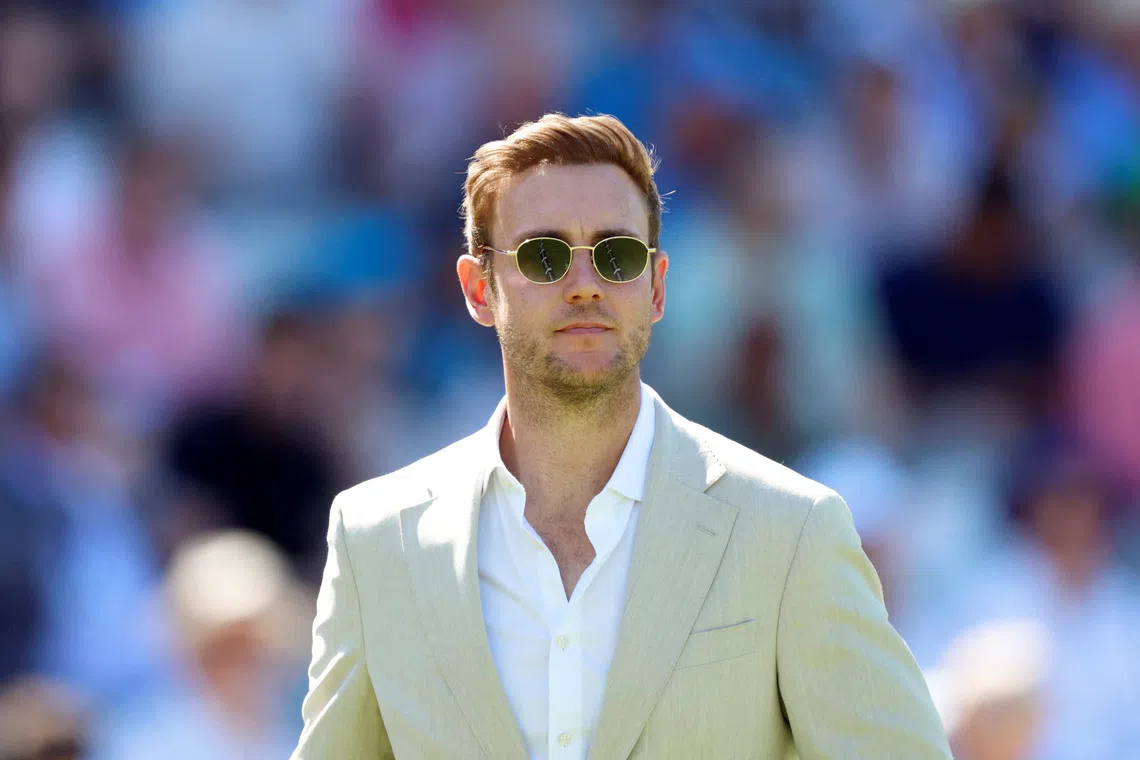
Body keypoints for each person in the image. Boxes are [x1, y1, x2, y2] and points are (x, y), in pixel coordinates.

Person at [291, 113, 951, 759]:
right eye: (545, 256)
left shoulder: (795, 532)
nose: (585, 286)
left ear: (657, 286)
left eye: (617, 255)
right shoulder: (377, 540)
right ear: (477, 287)